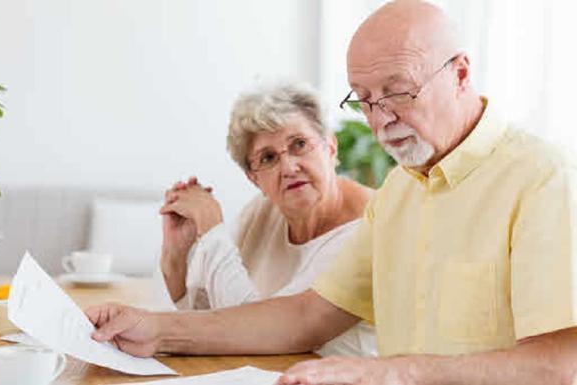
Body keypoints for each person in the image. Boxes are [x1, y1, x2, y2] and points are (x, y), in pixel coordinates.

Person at [86, 1, 577, 384]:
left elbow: (561, 366)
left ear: (461, 74)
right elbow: (304, 318)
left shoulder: (542, 179)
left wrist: (395, 373)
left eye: (398, 91)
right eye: (364, 99)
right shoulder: (399, 193)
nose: (381, 119)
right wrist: (157, 330)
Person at [158, 83, 376, 357]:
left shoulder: (370, 225)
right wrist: (175, 257)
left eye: (299, 144)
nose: (288, 167)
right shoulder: (264, 210)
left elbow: (263, 337)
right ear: (254, 178)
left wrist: (212, 228)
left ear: (330, 147)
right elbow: (206, 317)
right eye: (268, 157)